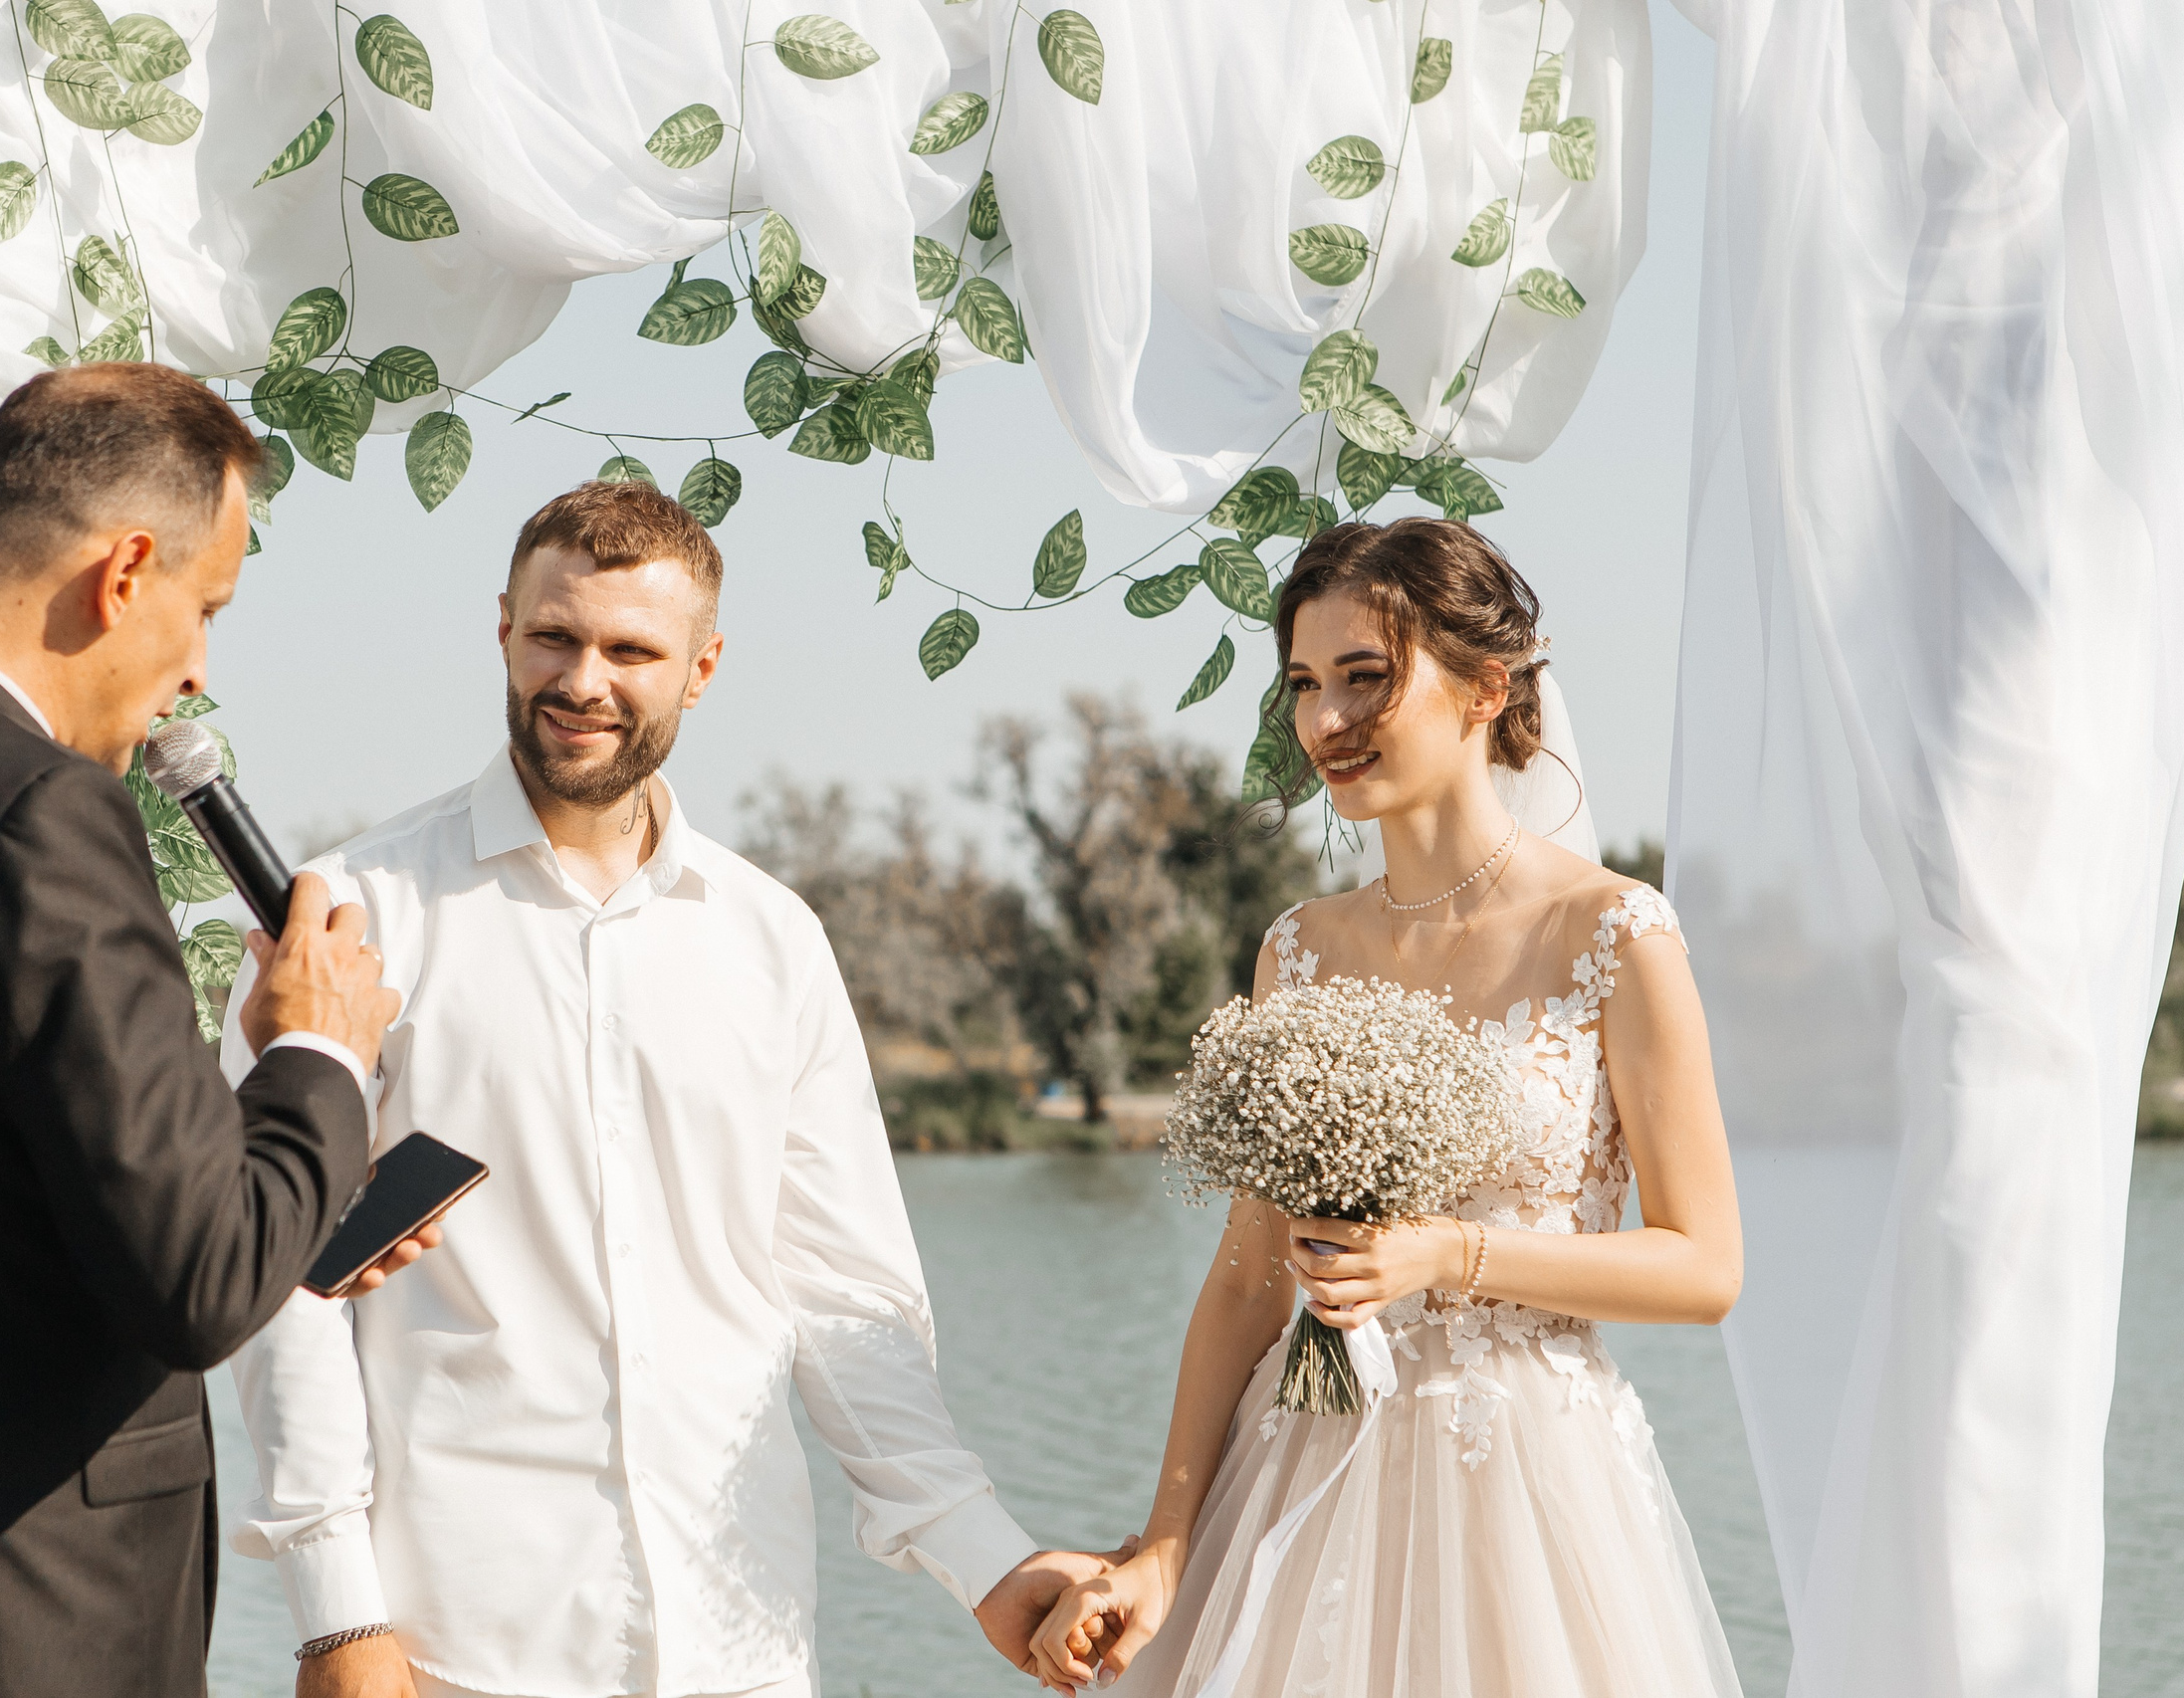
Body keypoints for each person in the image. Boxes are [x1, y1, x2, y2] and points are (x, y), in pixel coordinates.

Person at [224, 480, 1123, 1698]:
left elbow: (844, 1289)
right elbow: (286, 1282)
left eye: (630, 649)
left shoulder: (774, 938)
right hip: (459, 1644)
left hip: (742, 1640)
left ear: (699, 668)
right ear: (503, 628)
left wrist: (982, 1557)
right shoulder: (348, 917)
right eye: (554, 635)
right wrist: (335, 1614)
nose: (583, 680)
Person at [0, 363, 418, 1698]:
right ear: (125, 570)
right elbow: (195, 1280)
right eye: (206, 610)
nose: (194, 672)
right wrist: (316, 1052)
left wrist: (287, 1192)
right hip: (15, 1621)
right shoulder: (39, 814)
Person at [1031, 517, 1747, 1696]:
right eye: (1305, 685)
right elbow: (1248, 1279)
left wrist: (1447, 1253)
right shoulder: (1301, 947)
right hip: (1303, 1466)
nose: (1323, 721)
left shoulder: (1615, 932)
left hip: (1525, 1486)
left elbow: (1703, 1264)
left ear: (1484, 687)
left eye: (1365, 677)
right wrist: (1163, 1542)